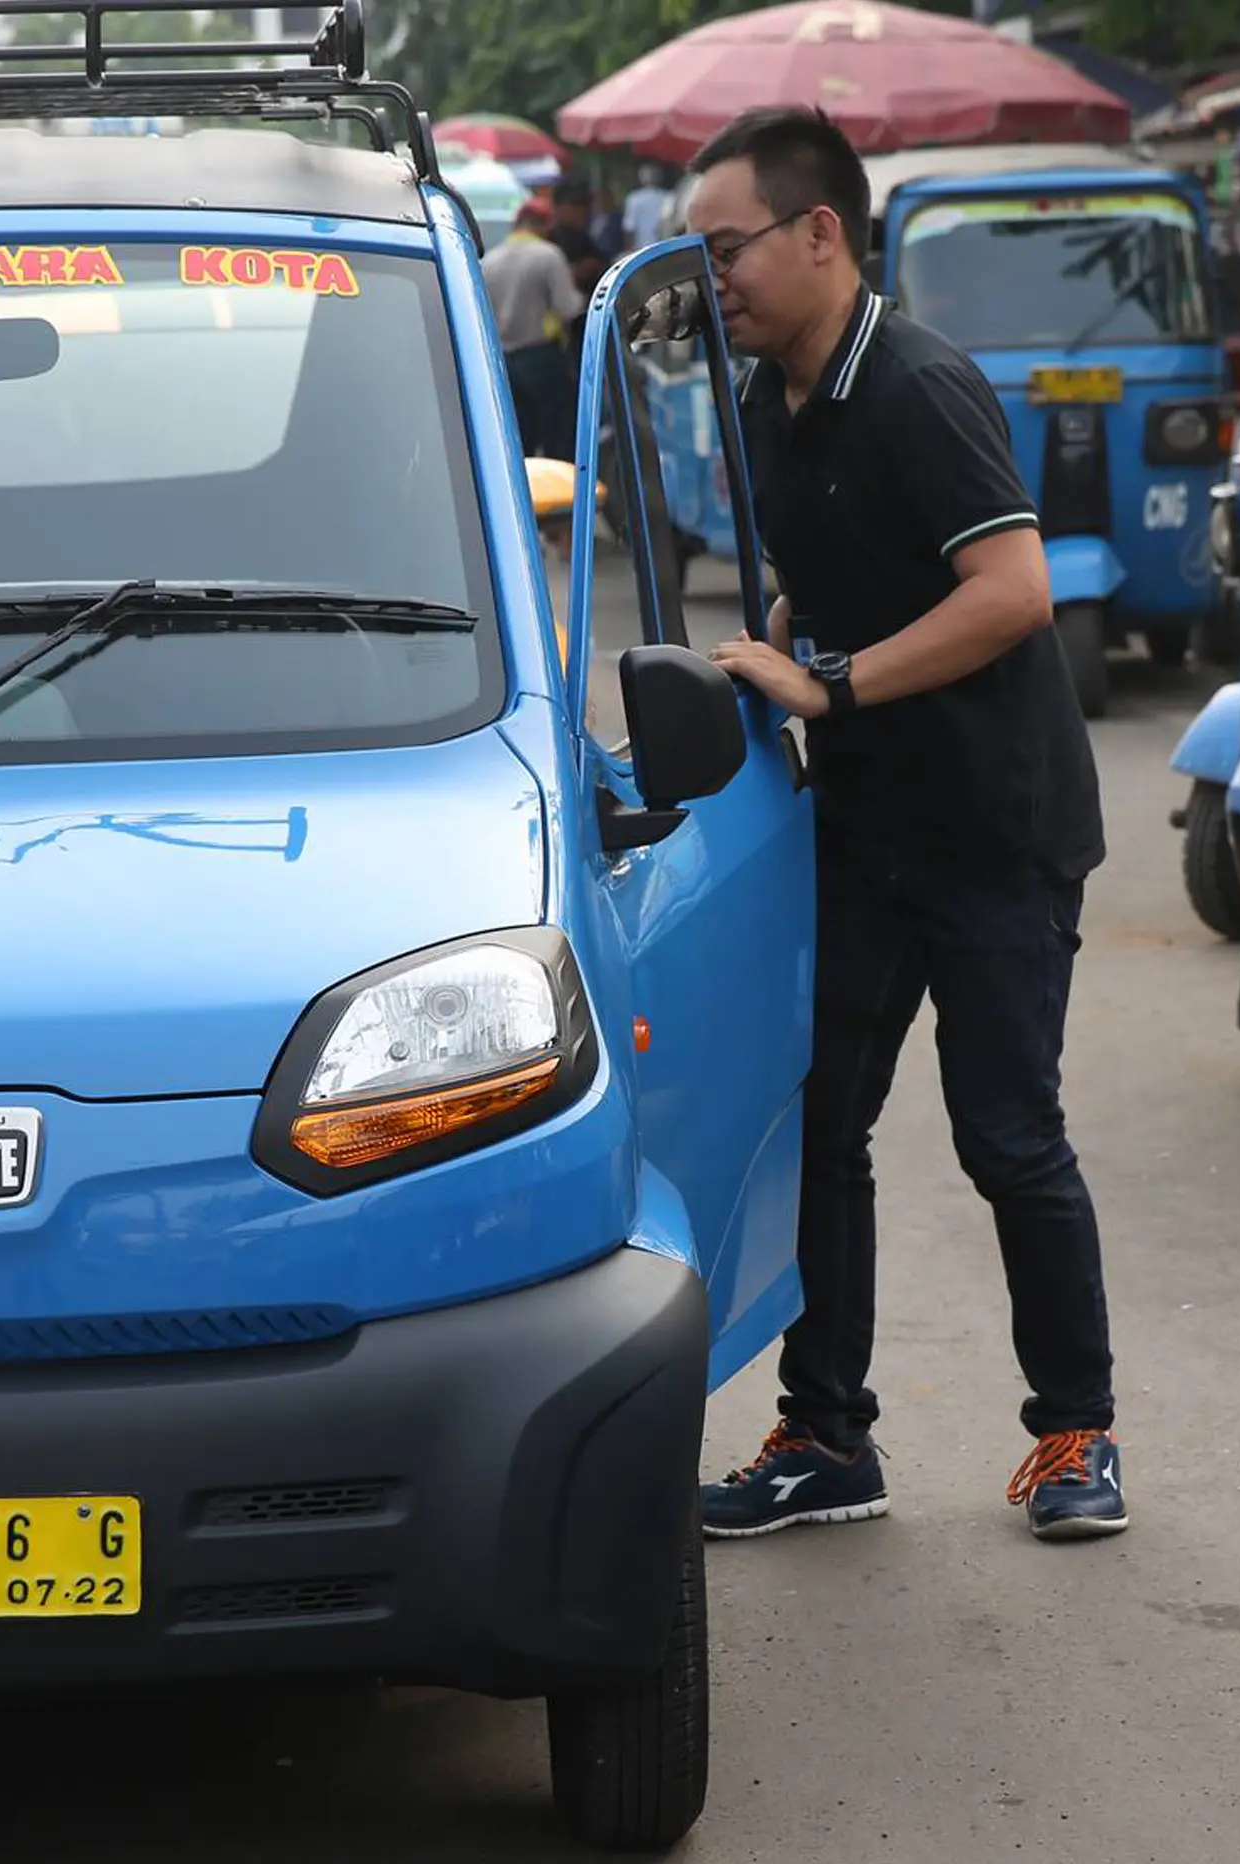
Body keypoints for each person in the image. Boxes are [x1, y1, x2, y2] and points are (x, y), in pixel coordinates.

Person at [683, 106, 1126, 1544]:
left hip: (996, 832)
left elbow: (1013, 593)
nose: (716, 283)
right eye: (696, 258)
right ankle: (826, 1439)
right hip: (864, 830)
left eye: (729, 248)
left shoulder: (921, 386)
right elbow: (821, 575)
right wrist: (787, 651)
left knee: (1009, 1135)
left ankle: (1075, 1440)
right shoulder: (765, 403)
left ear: (822, 235)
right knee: (821, 1123)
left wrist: (831, 685)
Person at [481, 198, 582, 460]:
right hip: (541, 357)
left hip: (502, 361)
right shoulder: (548, 255)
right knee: (557, 440)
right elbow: (568, 306)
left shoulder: (489, 261)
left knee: (517, 442)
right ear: (546, 226)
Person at [621, 160, 675, 251]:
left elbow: (629, 228)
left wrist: (629, 250)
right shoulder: (668, 196)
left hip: (641, 248)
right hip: (666, 247)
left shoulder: (634, 198)